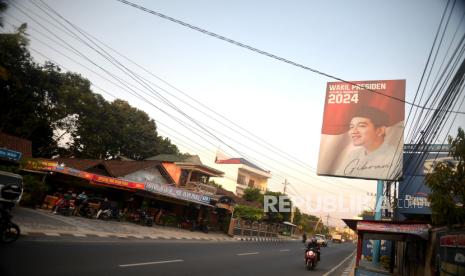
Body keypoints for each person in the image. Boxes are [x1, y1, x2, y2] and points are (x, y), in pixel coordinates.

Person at [339, 105, 400, 179]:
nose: (353, 131)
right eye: (351, 127)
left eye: (361, 126)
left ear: (380, 130)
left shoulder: (395, 158)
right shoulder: (353, 155)